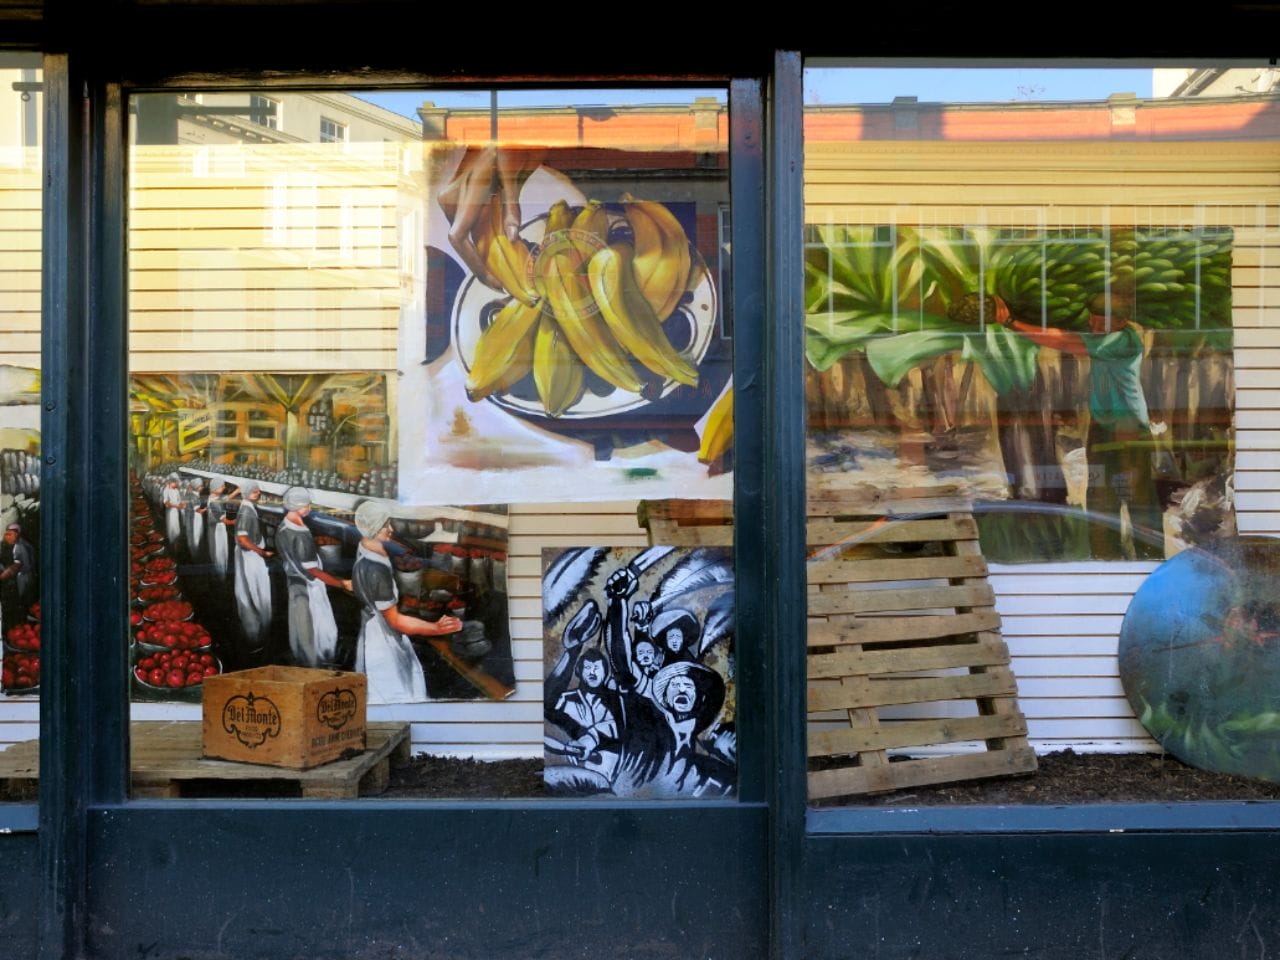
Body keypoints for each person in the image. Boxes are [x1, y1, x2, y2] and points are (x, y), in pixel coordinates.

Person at [994, 293, 1160, 558]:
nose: (1094, 329)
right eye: (1092, 322)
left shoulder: (1123, 341)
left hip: (1128, 428)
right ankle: (1105, 561)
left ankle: (1150, 561)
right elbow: (1064, 335)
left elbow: (1065, 341)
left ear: (1121, 321)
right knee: (1100, 499)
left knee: (1138, 500)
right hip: (1102, 426)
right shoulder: (1107, 336)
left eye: (1101, 324)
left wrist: (1013, 322)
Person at [351, 500, 461, 704]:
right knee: (396, 692)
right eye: (385, 525)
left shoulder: (366, 549)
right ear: (373, 528)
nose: (391, 530)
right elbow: (395, 621)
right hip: (382, 640)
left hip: (378, 630)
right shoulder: (376, 570)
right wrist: (436, 628)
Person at [544, 602, 622, 788]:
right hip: (583, 775)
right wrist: (572, 652)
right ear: (578, 672)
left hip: (612, 774)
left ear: (606, 672)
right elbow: (547, 702)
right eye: (587, 667)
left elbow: (619, 727)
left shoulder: (616, 700)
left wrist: (589, 739)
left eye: (597, 667)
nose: (593, 672)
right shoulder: (568, 700)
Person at [275, 486, 348, 667]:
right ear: (295, 505)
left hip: (294, 582)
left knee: (300, 627)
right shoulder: (301, 534)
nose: (308, 508)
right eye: (306, 505)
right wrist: (341, 583)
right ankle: (317, 666)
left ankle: (304, 660)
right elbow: (312, 571)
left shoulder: (283, 526)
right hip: (309, 587)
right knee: (319, 629)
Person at [233, 481, 273, 659]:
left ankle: (254, 637)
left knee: (248, 594)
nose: (258, 492)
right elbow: (243, 539)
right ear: (247, 493)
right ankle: (258, 640)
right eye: (254, 490)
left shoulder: (246, 507)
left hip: (246, 555)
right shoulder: (247, 511)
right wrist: (262, 552)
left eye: (258, 490)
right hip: (251, 556)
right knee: (256, 595)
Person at [0, 523, 34, 634]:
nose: (7, 537)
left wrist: (4, 575)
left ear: (17, 534)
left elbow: (17, 566)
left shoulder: (19, 547)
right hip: (27, 576)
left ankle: (23, 626)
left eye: (10, 534)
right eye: (6, 535)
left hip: (24, 577)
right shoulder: (24, 544)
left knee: (23, 602)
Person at [205, 477, 231, 577]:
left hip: (217, 529)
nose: (224, 488)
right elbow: (225, 520)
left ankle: (221, 575)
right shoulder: (214, 502)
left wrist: (237, 491)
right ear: (215, 488)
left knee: (219, 553)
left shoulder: (213, 497)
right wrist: (235, 522)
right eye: (222, 486)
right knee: (219, 553)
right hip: (217, 530)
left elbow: (225, 498)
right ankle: (221, 578)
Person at [161, 473, 183, 549]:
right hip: (170, 513)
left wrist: (182, 504)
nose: (176, 484)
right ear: (170, 482)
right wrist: (177, 505)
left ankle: (176, 545)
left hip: (176, 512)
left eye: (176, 482)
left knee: (177, 529)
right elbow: (167, 504)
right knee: (172, 529)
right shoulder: (166, 490)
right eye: (175, 482)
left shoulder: (176, 490)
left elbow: (179, 500)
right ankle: (172, 547)